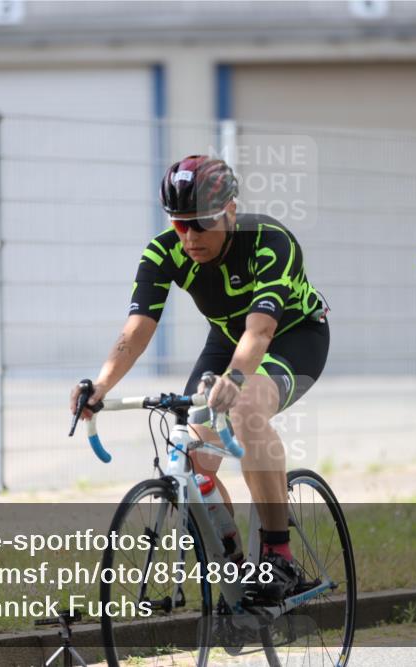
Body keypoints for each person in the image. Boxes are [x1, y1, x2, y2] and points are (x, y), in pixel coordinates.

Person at [70, 155, 329, 602]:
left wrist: (235, 378)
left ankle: (279, 555)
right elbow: (137, 329)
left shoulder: (270, 241)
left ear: (230, 211)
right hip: (228, 339)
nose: (190, 237)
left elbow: (261, 331)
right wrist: (101, 386)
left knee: (245, 408)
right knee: (187, 453)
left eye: (202, 223)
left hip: (293, 336)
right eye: (179, 224)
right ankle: (235, 571)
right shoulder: (164, 252)